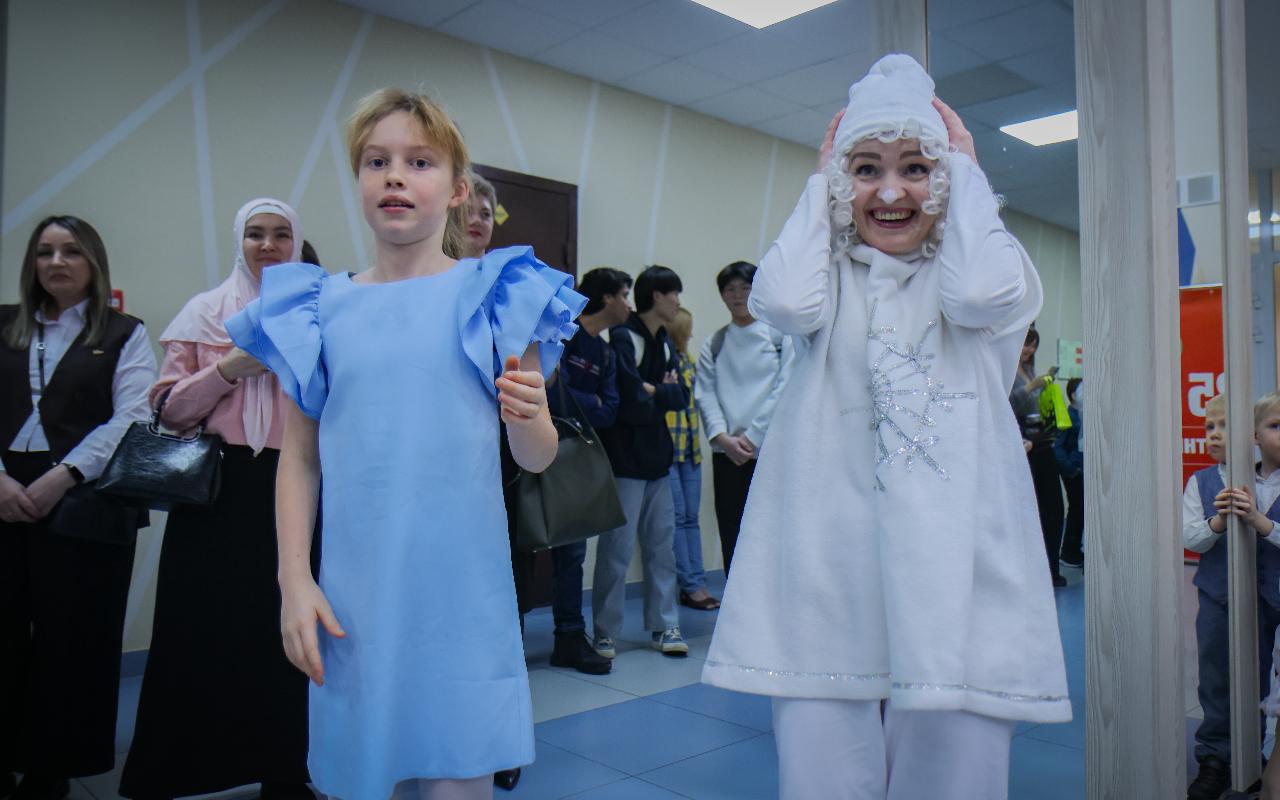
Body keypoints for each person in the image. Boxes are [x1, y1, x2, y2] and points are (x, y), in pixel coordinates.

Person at [701, 55, 1070, 799]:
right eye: (865, 169)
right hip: (831, 560)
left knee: (953, 766)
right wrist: (820, 183)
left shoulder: (984, 264)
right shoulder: (827, 275)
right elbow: (782, 302)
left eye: (917, 168)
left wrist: (966, 172)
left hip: (958, 561)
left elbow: (979, 294)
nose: (892, 190)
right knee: (824, 767)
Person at [226, 87, 584, 800]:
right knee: (361, 774)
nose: (395, 176)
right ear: (358, 180)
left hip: (464, 595)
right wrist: (294, 579)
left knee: (458, 775)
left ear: (456, 189)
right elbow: (300, 459)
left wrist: (528, 416)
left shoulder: (497, 293)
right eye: (376, 161)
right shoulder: (316, 308)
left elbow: (535, 456)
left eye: (419, 162)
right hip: (355, 598)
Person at [120, 198, 313, 800]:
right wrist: (227, 369)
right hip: (217, 490)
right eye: (255, 234)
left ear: (296, 243)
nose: (268, 245)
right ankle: (172, 772)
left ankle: (285, 772)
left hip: (295, 487)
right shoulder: (203, 313)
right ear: (239, 241)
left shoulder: (317, 314)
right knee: (197, 630)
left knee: (287, 632)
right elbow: (167, 412)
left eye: (281, 234)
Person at [0, 216, 156, 800]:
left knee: (71, 639)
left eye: (70, 251)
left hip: (81, 497)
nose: (56, 262)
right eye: (45, 252)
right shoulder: (5, 325)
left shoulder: (123, 333)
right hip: (3, 490)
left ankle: (51, 768)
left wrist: (62, 476)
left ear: (93, 262)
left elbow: (133, 416)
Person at [1184, 392, 1280, 800]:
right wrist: (1218, 522)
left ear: (1250, 435)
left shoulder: (1263, 480)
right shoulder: (1202, 482)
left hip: (1270, 600)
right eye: (1209, 426)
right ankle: (1216, 758)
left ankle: (1251, 756)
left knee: (1260, 679)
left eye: (1224, 426)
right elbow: (1190, 538)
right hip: (1218, 597)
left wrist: (1260, 522)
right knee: (1216, 678)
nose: (1214, 434)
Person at [593, 265, 690, 659]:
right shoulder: (623, 336)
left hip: (657, 460)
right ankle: (605, 632)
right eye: (674, 294)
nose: (678, 302)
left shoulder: (664, 340)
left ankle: (665, 625)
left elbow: (681, 395)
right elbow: (631, 403)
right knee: (616, 550)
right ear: (657, 296)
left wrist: (656, 391)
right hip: (625, 461)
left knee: (662, 547)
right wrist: (656, 392)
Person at [540, 267, 631, 672]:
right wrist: (584, 400)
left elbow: (610, 409)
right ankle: (510, 634)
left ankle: (569, 636)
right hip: (531, 447)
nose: (628, 305)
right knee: (519, 547)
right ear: (607, 297)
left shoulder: (606, 353)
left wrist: (577, 397)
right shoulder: (562, 336)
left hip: (575, 459)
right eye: (624, 295)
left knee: (573, 551)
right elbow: (548, 388)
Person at [694, 261, 793, 575]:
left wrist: (753, 437)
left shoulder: (780, 337)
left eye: (745, 287)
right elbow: (705, 392)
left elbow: (785, 387)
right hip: (727, 453)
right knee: (731, 529)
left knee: (770, 530)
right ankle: (733, 599)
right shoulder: (715, 342)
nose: (737, 295)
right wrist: (722, 437)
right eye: (730, 289)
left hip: (767, 451)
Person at [665, 306, 718, 610]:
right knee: (677, 519)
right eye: (687, 329)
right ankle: (689, 584)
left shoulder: (689, 360)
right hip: (669, 452)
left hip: (691, 450)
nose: (691, 334)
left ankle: (697, 582)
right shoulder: (665, 361)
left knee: (690, 518)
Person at [1010, 327, 1068, 587]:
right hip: (1023, 447)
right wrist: (1032, 387)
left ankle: (1050, 568)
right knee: (1029, 511)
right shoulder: (1006, 371)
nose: (1029, 350)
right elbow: (1007, 405)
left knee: (1053, 509)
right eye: (1026, 344)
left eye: (1033, 345)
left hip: (1043, 443)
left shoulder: (1030, 370)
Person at [1053, 377, 1084, 568]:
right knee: (1076, 509)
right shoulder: (1067, 415)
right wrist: (1072, 469)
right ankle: (1068, 553)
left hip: (1080, 471)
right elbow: (1058, 447)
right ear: (1074, 395)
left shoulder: (1082, 414)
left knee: (1080, 510)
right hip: (1073, 472)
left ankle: (1074, 549)